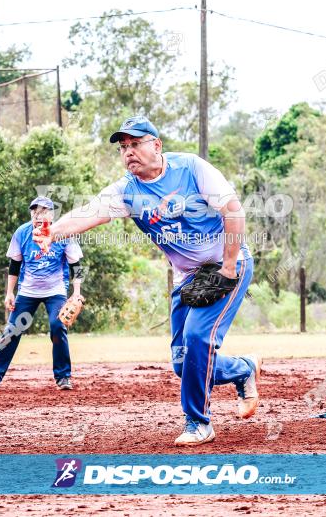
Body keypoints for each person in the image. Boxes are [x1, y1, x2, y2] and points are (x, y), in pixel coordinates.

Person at [35, 116, 259, 446]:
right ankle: (242, 369)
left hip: (228, 265)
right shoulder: (128, 190)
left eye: (135, 143)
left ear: (156, 145)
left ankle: (198, 423)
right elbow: (89, 211)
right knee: (183, 364)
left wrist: (227, 267)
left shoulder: (191, 169)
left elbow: (234, 211)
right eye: (123, 147)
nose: (128, 152)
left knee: (198, 337)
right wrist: (52, 232)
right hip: (188, 277)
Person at [0, 196, 85, 391]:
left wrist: (76, 293)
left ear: (51, 215)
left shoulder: (63, 233)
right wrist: (9, 293)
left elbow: (76, 266)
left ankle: (63, 377)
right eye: (35, 212)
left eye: (43, 211)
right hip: (28, 290)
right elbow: (15, 265)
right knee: (12, 330)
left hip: (55, 290)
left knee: (57, 326)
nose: (38, 215)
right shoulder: (22, 233)